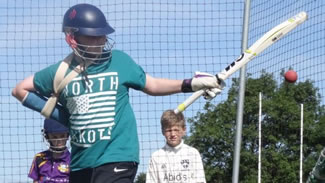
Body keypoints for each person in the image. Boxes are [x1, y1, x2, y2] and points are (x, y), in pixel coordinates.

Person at [12, 3, 223, 183]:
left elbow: (153, 85)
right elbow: (20, 90)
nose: (101, 40)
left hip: (118, 156)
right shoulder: (59, 72)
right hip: (80, 163)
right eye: (92, 36)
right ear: (72, 38)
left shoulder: (120, 61)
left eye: (102, 35)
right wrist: (61, 116)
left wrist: (191, 84)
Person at [146, 110, 206, 183]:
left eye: (176, 130)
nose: (173, 134)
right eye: (169, 130)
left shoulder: (193, 153)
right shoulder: (156, 156)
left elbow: (200, 180)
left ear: (184, 130)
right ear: (162, 131)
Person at [28, 119, 70, 183]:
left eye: (62, 136)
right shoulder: (39, 158)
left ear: (67, 136)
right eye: (54, 137)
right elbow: (35, 181)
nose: (59, 140)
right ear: (47, 137)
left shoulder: (73, 160)